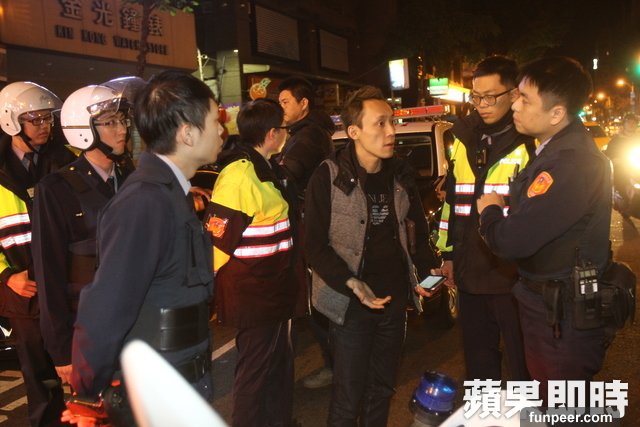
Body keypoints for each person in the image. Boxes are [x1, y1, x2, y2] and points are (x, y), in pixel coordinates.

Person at [64, 71, 225, 423]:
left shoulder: (171, 193)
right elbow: (107, 304)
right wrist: (87, 393)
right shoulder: (145, 201)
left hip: (180, 384)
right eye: (216, 121)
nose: (222, 130)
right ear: (187, 133)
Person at [477, 57, 612, 401]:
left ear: (557, 113)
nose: (515, 106)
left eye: (525, 100)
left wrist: (490, 211)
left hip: (561, 313)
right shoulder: (556, 150)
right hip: (552, 305)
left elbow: (511, 241)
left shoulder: (569, 163)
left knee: (564, 407)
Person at [304, 86, 436, 425]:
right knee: (348, 397)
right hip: (350, 304)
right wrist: (351, 282)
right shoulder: (328, 175)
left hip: (394, 301)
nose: (391, 132)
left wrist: (428, 272)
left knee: (382, 389)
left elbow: (417, 231)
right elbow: (314, 245)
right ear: (354, 131)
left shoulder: (401, 173)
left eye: (392, 122)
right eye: (380, 124)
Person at [206, 98, 304, 427]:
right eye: (284, 129)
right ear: (272, 133)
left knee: (278, 365)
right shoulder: (240, 176)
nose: (287, 134)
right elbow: (216, 245)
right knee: (255, 372)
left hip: (274, 289)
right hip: (255, 292)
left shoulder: (268, 168)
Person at [434, 56, 532, 383]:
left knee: (524, 367)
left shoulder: (530, 140)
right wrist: (448, 254)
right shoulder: (463, 138)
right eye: (476, 97)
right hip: (470, 273)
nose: (482, 105)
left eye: (491, 96)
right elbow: (453, 202)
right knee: (478, 368)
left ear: (513, 94)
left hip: (515, 277)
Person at [32, 84, 136, 387]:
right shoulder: (56, 189)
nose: (122, 130)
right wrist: (61, 349)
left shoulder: (133, 179)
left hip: (138, 324)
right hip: (89, 329)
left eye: (123, 120)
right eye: (110, 122)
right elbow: (48, 272)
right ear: (82, 130)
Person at [0, 81, 75, 426]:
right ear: (10, 121)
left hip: (69, 288)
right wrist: (7, 277)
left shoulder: (67, 161)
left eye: (48, 118)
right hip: (25, 296)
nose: (45, 126)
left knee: (85, 376)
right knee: (41, 384)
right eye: (36, 119)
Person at [277, 76, 336, 389]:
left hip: (311, 222)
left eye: (286, 102)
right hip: (313, 219)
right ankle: (338, 363)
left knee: (318, 298)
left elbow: (290, 173)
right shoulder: (305, 132)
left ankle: (337, 366)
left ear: (304, 104)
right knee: (317, 297)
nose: (282, 108)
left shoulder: (308, 135)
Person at [605, 112, 639, 218]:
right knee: (621, 179)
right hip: (622, 168)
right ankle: (621, 198)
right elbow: (609, 153)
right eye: (628, 122)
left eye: (633, 122)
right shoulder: (616, 140)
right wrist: (615, 159)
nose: (631, 124)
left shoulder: (638, 138)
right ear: (624, 124)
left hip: (636, 166)